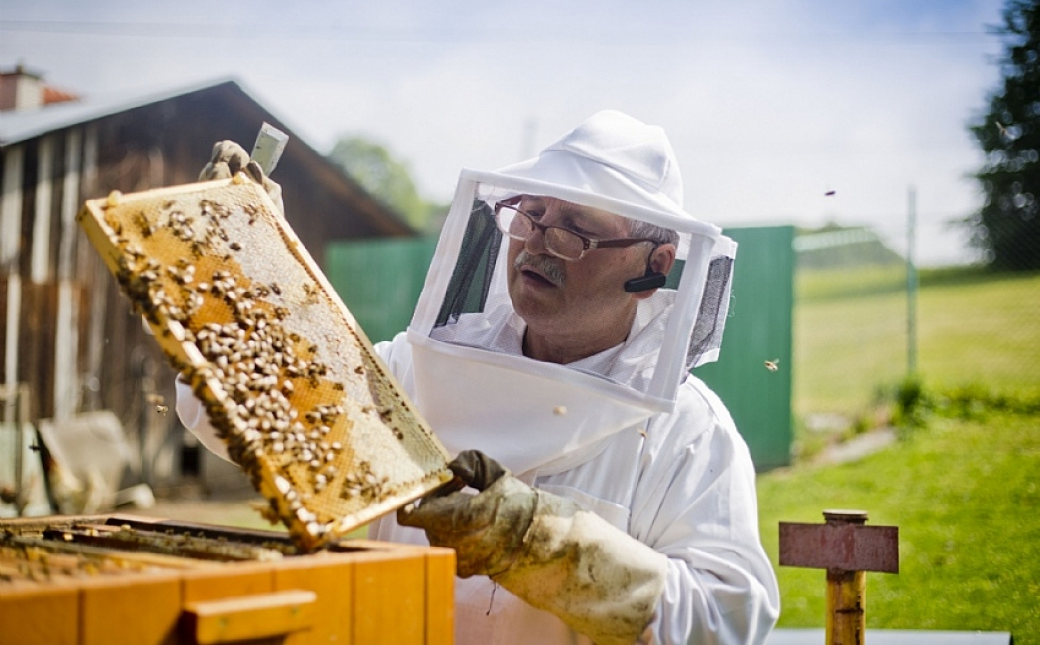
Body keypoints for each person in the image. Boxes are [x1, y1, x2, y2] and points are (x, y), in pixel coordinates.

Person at [178, 111, 780, 644]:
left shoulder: (686, 431)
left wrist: (545, 545)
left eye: (574, 227)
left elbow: (725, 620)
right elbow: (246, 416)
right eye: (531, 214)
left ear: (654, 264)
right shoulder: (417, 367)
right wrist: (245, 264)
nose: (536, 242)